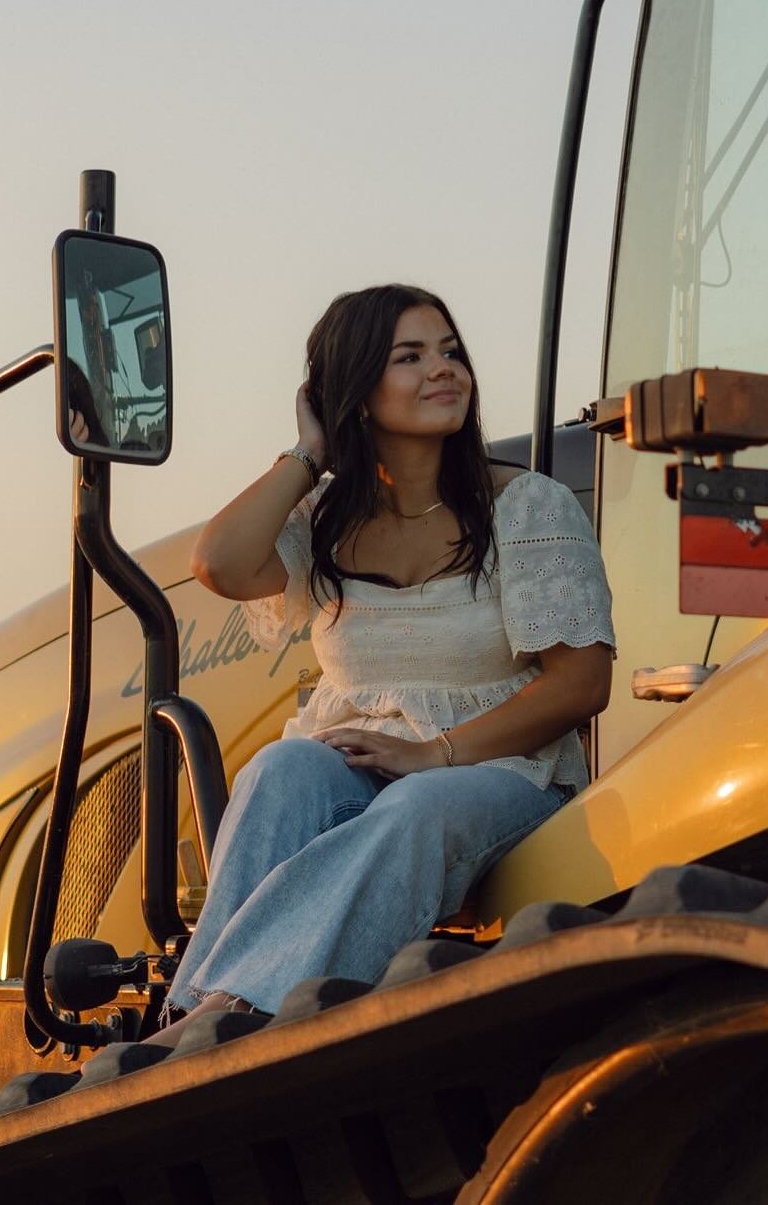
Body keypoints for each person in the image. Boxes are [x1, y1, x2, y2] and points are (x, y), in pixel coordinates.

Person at [147, 283, 614, 1046]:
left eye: (451, 351)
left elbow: (580, 682)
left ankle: (233, 1021)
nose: (445, 371)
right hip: (359, 763)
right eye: (410, 357)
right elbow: (219, 564)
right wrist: (308, 453)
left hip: (502, 773)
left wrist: (430, 754)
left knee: (414, 806)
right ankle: (193, 1013)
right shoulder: (324, 516)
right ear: (356, 391)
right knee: (279, 768)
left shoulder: (526, 507)